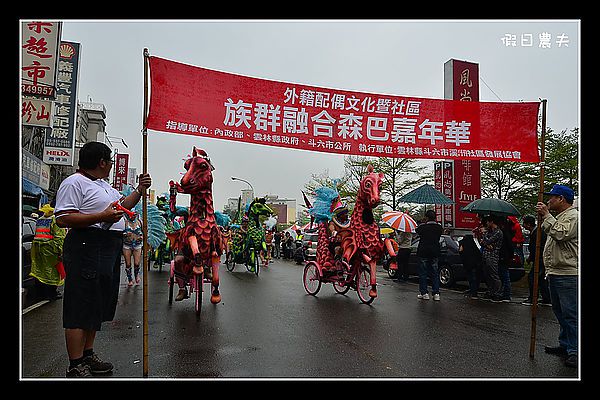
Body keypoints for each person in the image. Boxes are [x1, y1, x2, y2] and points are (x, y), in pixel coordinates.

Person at [54, 141, 152, 378]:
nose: (110, 165)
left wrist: (139, 190)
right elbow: (63, 218)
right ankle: (75, 364)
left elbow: (122, 207)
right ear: (101, 162)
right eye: (109, 161)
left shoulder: (103, 185)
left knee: (97, 303)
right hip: (87, 245)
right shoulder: (74, 183)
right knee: (80, 305)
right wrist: (101, 215)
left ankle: (88, 355)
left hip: (108, 246)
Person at [536, 184, 578, 368]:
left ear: (561, 199)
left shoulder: (574, 216)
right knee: (560, 312)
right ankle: (566, 344)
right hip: (555, 271)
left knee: (571, 314)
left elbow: (561, 234)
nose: (549, 200)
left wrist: (546, 215)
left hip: (568, 273)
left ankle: (575, 350)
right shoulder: (560, 216)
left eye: (552, 197)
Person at [30, 203, 66, 301]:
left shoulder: (41, 219)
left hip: (37, 248)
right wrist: (60, 251)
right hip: (50, 249)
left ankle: (40, 293)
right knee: (53, 272)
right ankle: (51, 294)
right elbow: (59, 237)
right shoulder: (56, 220)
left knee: (40, 270)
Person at [521, 215, 551, 306]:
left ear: (528, 224)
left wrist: (531, 257)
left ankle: (533, 298)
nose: (523, 225)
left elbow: (536, 248)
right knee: (541, 279)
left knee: (533, 277)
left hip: (540, 259)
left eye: (524, 224)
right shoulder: (535, 232)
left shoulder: (537, 233)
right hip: (539, 258)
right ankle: (546, 298)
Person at [415, 210, 443, 300]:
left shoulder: (422, 227)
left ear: (426, 217)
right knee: (435, 273)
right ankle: (436, 294)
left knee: (423, 273)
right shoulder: (439, 228)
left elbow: (417, 230)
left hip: (423, 252)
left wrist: (423, 223)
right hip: (435, 252)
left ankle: (424, 293)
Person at [479, 215, 504, 302]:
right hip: (485, 255)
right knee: (487, 274)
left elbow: (487, 241)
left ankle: (497, 293)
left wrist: (485, 240)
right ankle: (490, 291)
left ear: (492, 222)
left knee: (494, 275)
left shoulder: (498, 232)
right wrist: (486, 243)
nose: (486, 223)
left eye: (488, 222)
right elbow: (483, 242)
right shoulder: (489, 232)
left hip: (493, 256)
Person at [458, 234, 483, 299]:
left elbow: (460, 250)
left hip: (468, 264)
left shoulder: (463, 243)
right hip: (477, 264)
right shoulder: (474, 245)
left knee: (471, 278)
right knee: (476, 279)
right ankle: (474, 292)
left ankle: (472, 292)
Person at [122, 211, 143, 287]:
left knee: (137, 263)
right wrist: (125, 234)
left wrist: (141, 237)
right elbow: (120, 232)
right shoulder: (124, 222)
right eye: (132, 214)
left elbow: (144, 232)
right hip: (127, 245)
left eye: (135, 214)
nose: (133, 216)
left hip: (137, 245)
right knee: (128, 264)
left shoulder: (140, 221)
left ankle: (136, 275)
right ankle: (130, 279)